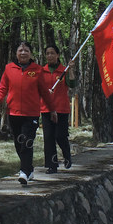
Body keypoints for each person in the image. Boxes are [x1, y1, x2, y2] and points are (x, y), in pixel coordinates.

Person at [0, 40, 53, 185]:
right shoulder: (9, 68)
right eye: (20, 50)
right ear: (16, 53)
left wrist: (52, 110)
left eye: (26, 51)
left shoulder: (37, 70)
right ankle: (29, 169)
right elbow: (2, 88)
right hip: (13, 113)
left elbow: (44, 91)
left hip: (31, 114)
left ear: (31, 54)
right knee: (19, 143)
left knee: (26, 142)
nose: (23, 53)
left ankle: (24, 171)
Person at [41, 44, 74, 173]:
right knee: (48, 137)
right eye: (47, 53)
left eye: (52, 53)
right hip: (46, 109)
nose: (50, 56)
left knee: (60, 136)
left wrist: (70, 70)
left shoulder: (63, 71)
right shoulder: (41, 71)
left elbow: (72, 84)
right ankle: (52, 165)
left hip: (61, 108)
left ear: (57, 55)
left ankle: (67, 156)